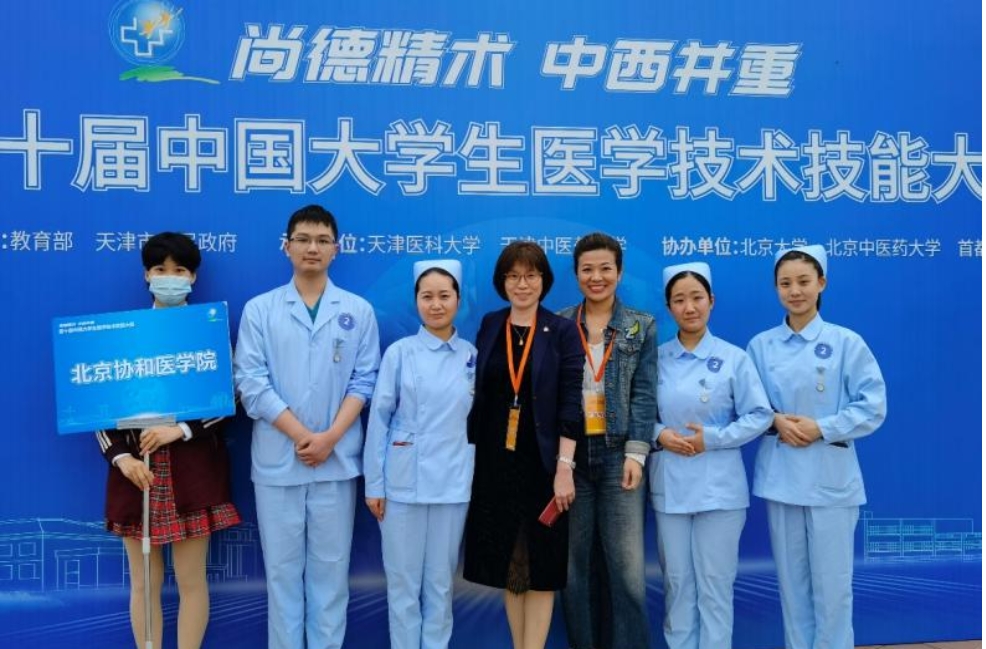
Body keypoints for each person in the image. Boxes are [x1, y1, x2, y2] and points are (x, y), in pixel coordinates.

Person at [233, 205, 380, 649]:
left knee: (330, 575)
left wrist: (330, 438)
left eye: (321, 240)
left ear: (337, 249)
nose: (312, 247)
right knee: (281, 576)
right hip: (279, 463)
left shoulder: (357, 310)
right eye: (302, 239)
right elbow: (250, 383)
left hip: (335, 462)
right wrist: (302, 436)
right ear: (287, 246)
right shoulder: (260, 310)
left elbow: (364, 381)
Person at [97, 231, 240, 649]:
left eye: (179, 270)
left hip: (193, 471)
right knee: (144, 581)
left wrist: (181, 429)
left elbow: (230, 396)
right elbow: (96, 406)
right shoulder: (123, 334)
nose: (170, 277)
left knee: (192, 580)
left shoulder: (209, 332)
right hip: (136, 472)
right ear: (147, 275)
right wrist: (122, 458)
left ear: (193, 277)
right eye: (161, 269)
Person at [747, 245, 887, 649]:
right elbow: (748, 406)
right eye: (785, 283)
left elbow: (874, 406)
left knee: (833, 586)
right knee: (792, 586)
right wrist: (774, 420)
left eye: (804, 281)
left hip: (831, 480)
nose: (795, 291)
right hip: (782, 478)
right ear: (776, 288)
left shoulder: (846, 343)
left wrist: (822, 428)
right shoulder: (761, 346)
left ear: (821, 283)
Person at [462, 241, 583, 649]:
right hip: (496, 463)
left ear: (544, 280)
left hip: (543, 465)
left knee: (541, 566)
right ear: (502, 282)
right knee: (509, 566)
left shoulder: (561, 330)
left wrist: (564, 467)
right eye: (513, 276)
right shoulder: (490, 324)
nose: (522, 284)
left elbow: (571, 403)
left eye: (531, 275)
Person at [649, 261, 773, 649]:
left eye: (697, 298)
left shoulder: (734, 358)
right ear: (668, 307)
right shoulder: (655, 359)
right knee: (677, 583)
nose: (689, 307)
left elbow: (760, 416)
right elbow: (639, 414)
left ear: (712, 301)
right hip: (670, 486)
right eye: (679, 300)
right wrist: (660, 435)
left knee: (715, 585)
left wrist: (714, 438)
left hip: (720, 490)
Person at [363, 260, 477, 649]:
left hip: (453, 482)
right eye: (427, 296)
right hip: (401, 482)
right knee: (403, 585)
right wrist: (374, 484)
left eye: (444, 295)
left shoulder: (471, 356)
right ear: (416, 301)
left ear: (459, 300)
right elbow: (379, 420)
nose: (436, 304)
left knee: (441, 585)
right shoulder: (400, 353)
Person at [557, 233, 655, 649]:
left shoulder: (640, 325)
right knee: (573, 570)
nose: (596, 277)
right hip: (572, 457)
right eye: (587, 269)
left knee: (627, 573)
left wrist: (637, 453)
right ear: (576, 274)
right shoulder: (560, 323)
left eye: (605, 269)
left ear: (619, 272)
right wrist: (561, 463)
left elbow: (644, 394)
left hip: (620, 456)